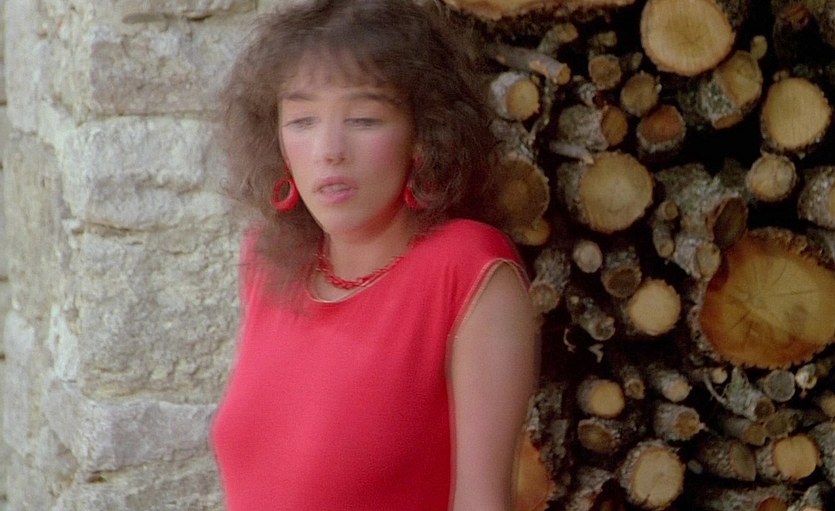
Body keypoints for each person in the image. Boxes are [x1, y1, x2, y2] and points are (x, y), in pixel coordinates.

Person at [210, 0, 540, 509]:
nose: (329, 150)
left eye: (363, 119)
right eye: (302, 120)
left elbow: (482, 502)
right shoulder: (265, 261)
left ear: (424, 136)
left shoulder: (469, 268)